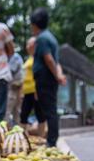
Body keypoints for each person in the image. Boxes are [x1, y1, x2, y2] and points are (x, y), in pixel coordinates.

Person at [30, 8, 66, 146]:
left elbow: (49, 59)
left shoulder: (42, 38)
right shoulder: (50, 37)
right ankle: (51, 139)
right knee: (49, 109)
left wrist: (57, 75)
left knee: (50, 111)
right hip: (49, 79)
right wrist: (59, 75)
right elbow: (56, 62)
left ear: (34, 24)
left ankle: (51, 141)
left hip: (45, 79)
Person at [20, 37, 46, 136]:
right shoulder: (29, 59)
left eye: (29, 44)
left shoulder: (39, 58)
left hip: (35, 91)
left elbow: (39, 75)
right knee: (23, 115)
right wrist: (21, 92)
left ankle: (42, 137)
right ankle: (23, 138)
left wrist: (37, 90)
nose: (27, 47)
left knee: (40, 114)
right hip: (27, 91)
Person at [5, 30, 24, 125]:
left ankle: (14, 135)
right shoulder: (11, 57)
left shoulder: (15, 57)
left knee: (10, 112)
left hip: (13, 89)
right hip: (14, 89)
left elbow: (9, 72)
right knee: (15, 113)